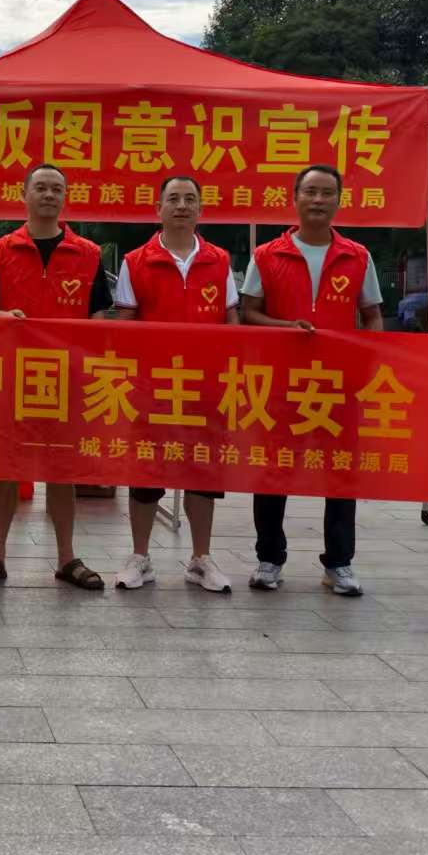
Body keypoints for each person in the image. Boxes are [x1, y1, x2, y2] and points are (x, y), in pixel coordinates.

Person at [240, 163, 383, 597]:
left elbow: (372, 315)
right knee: (273, 472)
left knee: (340, 474)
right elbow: (249, 313)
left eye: (327, 193)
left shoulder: (358, 256)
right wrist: (285, 327)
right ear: (295, 198)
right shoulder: (267, 255)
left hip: (339, 386)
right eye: (311, 192)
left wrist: (366, 362)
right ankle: (269, 559)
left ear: (339, 200)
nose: (318, 200)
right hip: (280, 385)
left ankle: (339, 563)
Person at [0, 163, 112, 591]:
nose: (49, 195)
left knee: (62, 469)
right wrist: (3, 316)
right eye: (41, 188)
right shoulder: (0, 249)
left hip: (66, 378)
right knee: (6, 467)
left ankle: (67, 557)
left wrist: (90, 343)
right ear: (24, 195)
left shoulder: (88, 253)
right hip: (13, 377)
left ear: (65, 197)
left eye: (56, 189)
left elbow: (99, 312)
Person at [113, 173, 238, 594]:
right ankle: (140, 557)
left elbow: (232, 321)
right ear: (159, 209)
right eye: (174, 199)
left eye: (189, 199)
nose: (182, 206)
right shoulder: (135, 261)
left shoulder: (220, 261)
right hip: (153, 389)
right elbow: (125, 324)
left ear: (200, 209)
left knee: (203, 473)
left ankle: (201, 559)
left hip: (206, 389)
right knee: (146, 473)